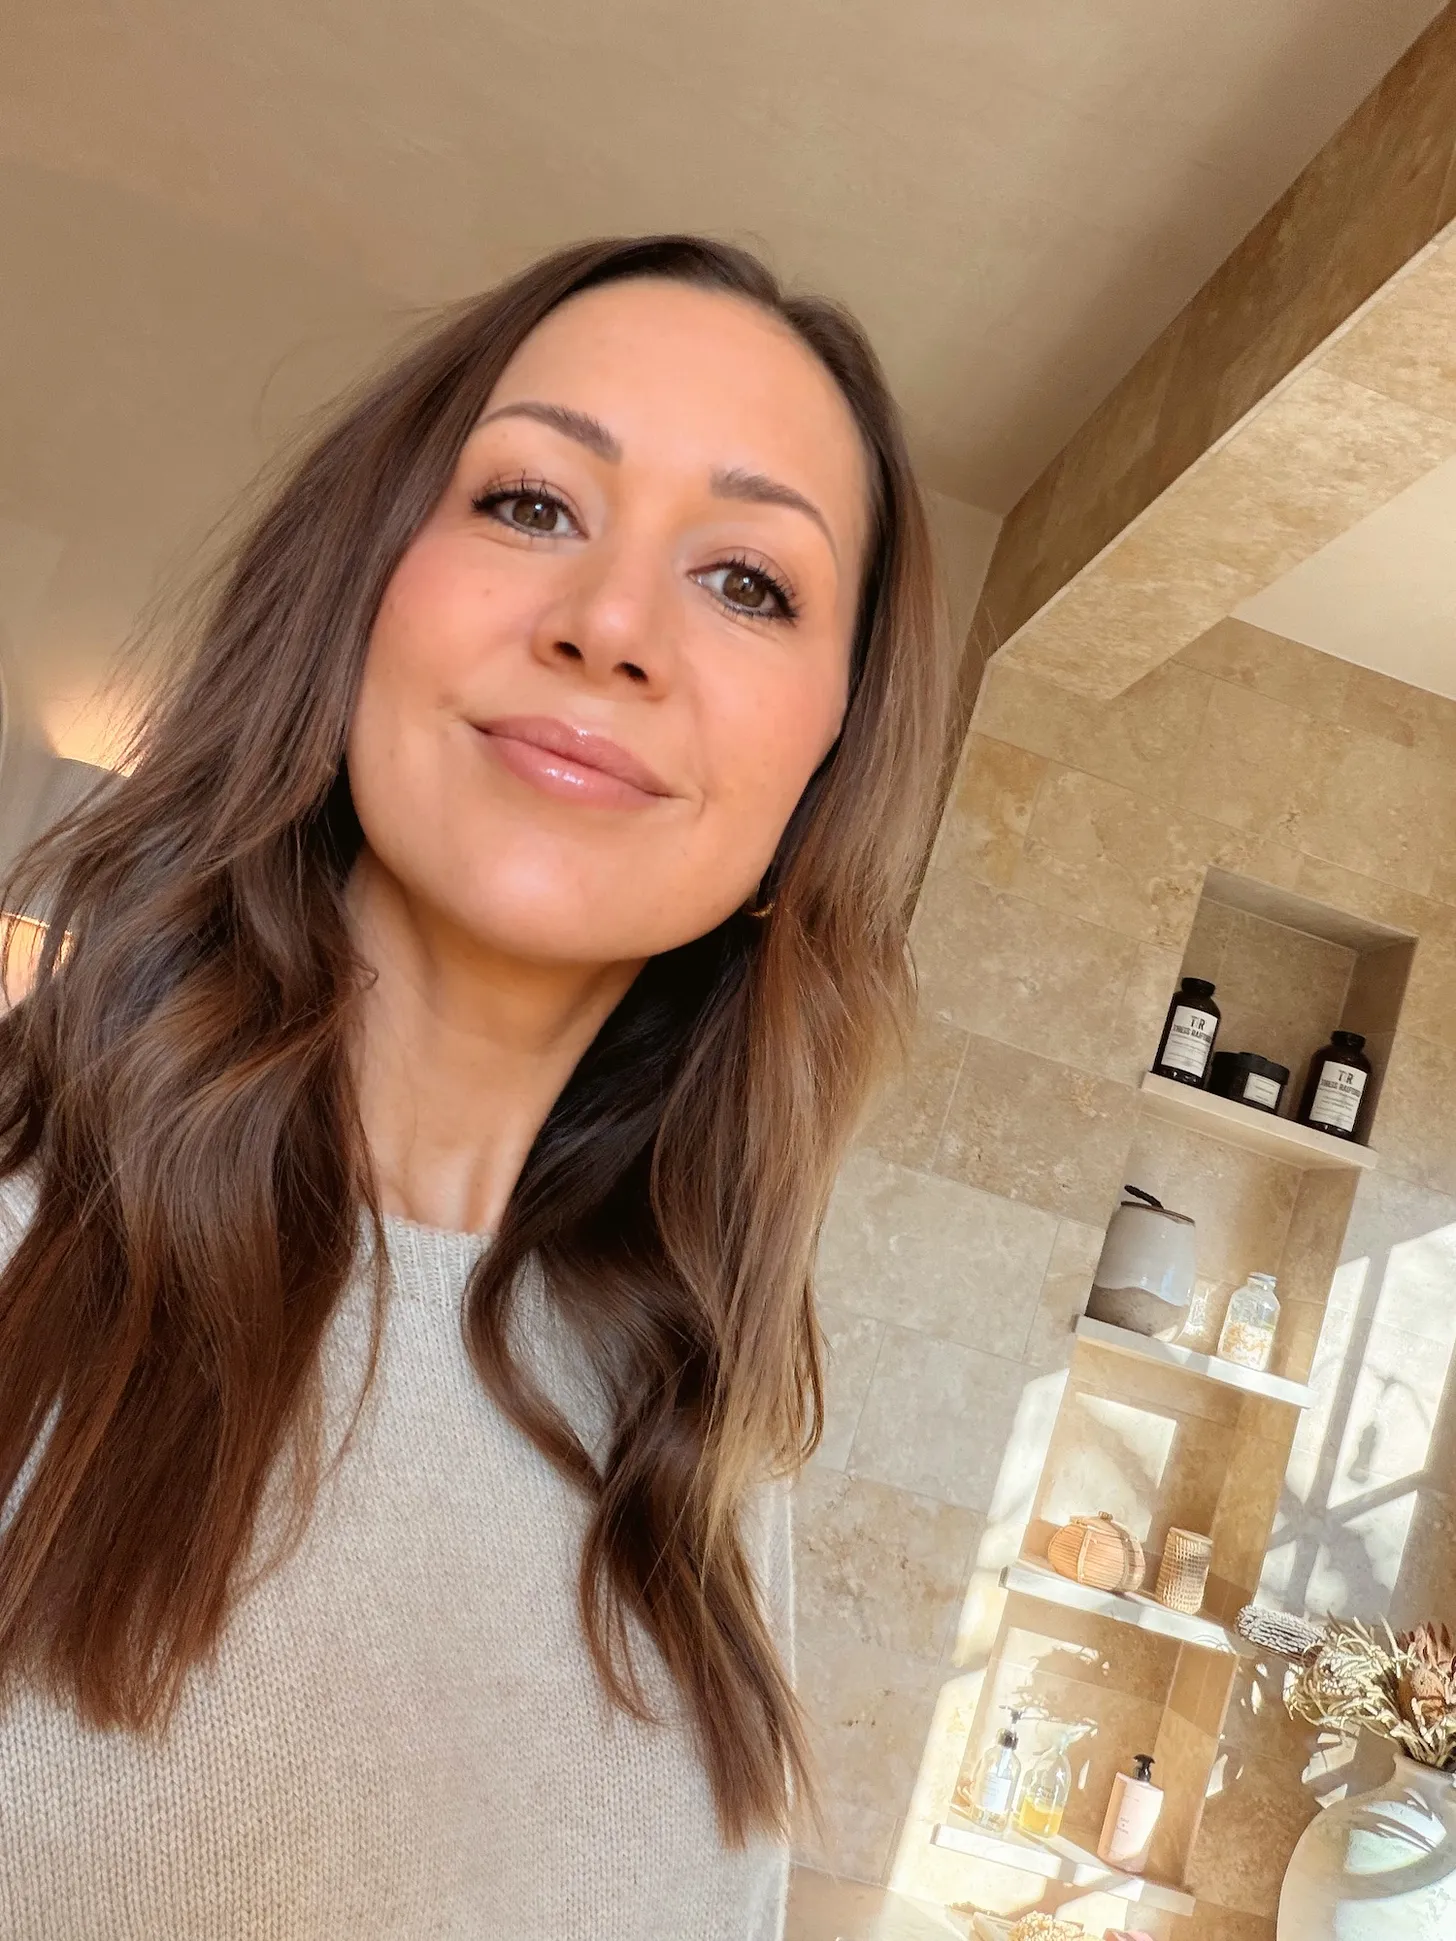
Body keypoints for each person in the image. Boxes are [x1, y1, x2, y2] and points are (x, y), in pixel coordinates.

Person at [0, 235, 950, 1939]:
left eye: (750, 583)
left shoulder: (702, 1438)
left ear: (821, 775)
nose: (611, 627)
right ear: (359, 594)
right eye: (530, 503)